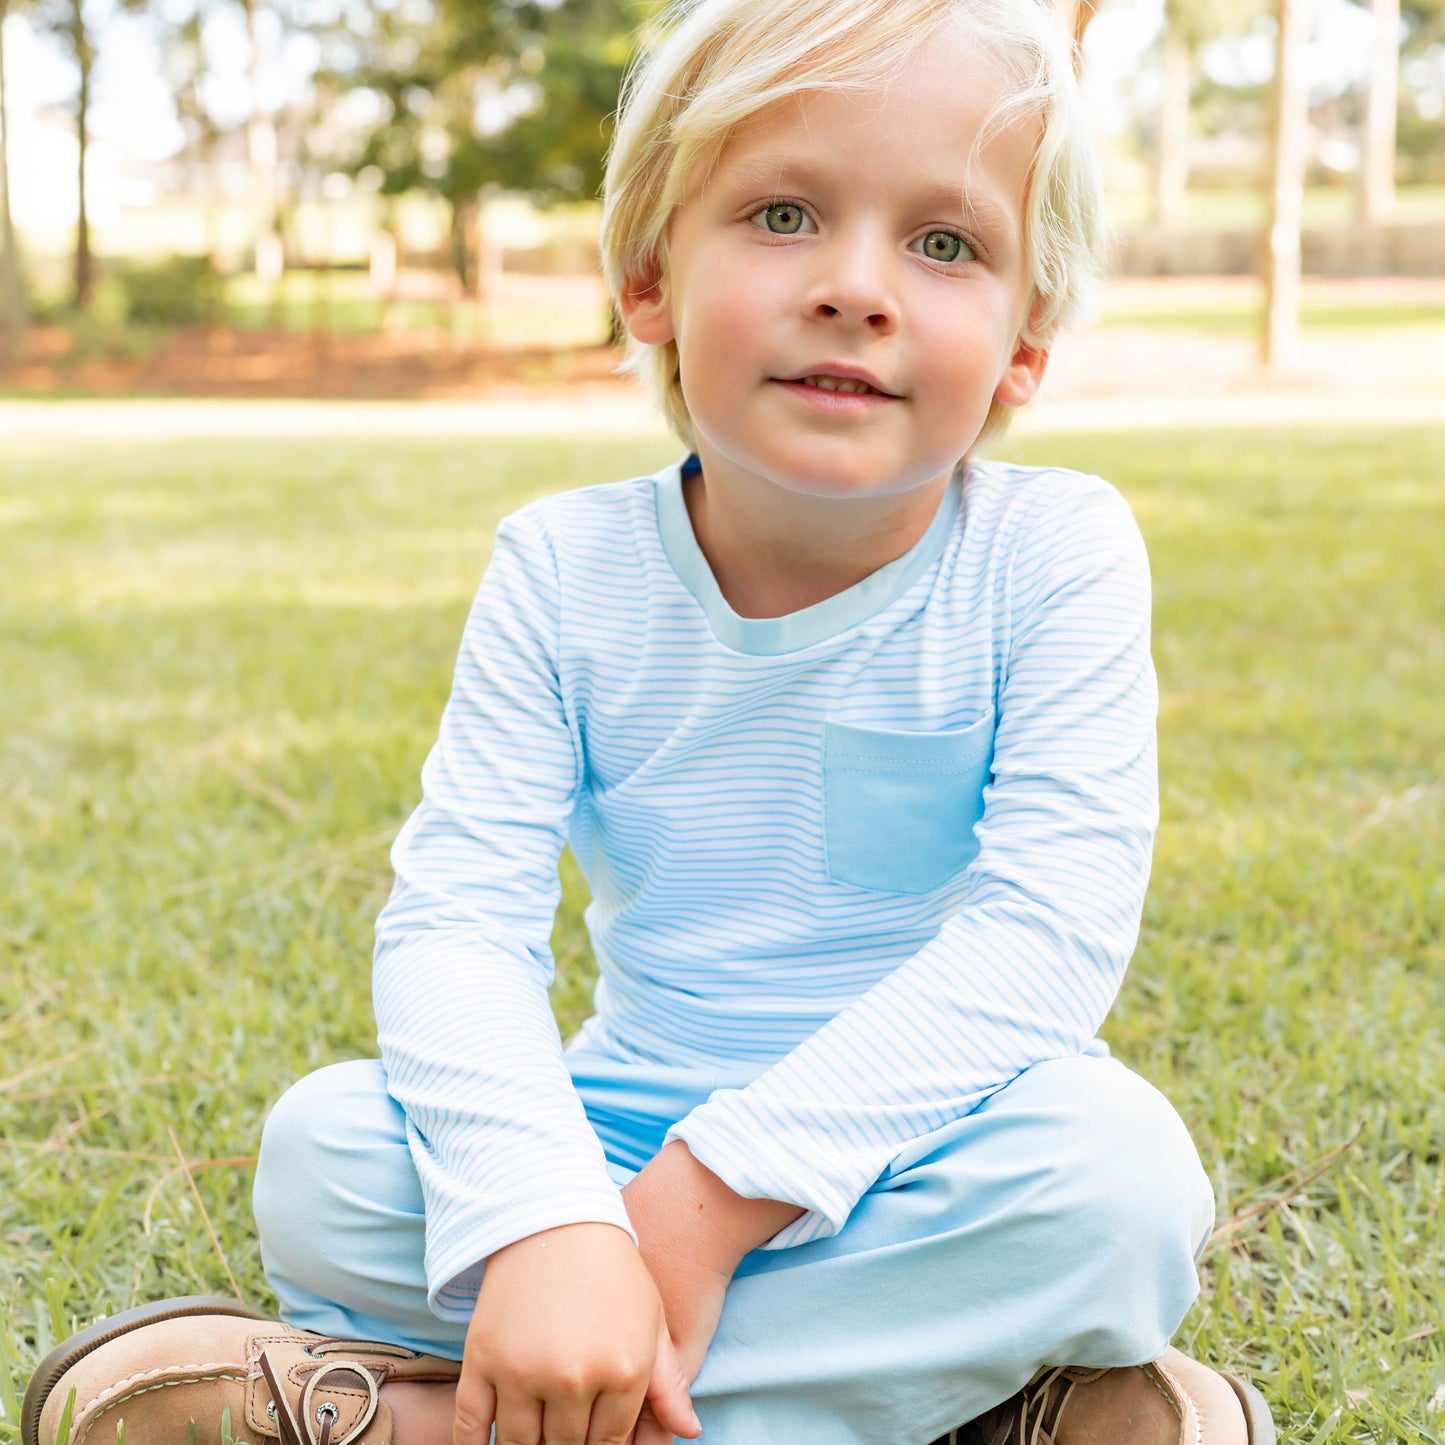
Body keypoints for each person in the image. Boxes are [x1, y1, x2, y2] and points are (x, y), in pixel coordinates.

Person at [22, 1, 1279, 1443]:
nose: (857, 287)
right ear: (646, 280)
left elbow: (1045, 934)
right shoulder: (563, 570)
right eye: (784, 212)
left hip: (933, 1137)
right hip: (614, 1131)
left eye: (944, 245)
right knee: (322, 1156)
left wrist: (700, 1215)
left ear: (1020, 349)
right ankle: (991, 1410)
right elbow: (457, 922)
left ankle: (421, 1420)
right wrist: (553, 1218)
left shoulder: (1053, 551)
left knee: (1113, 1187)